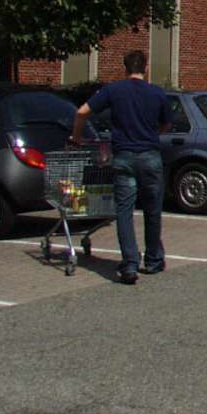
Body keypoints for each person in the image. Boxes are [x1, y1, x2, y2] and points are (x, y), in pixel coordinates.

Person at [71, 50, 171, 284]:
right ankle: (154, 259)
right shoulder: (156, 93)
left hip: (124, 155)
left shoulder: (113, 90)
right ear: (145, 68)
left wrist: (76, 136)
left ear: (124, 68)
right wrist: (153, 134)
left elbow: (82, 111)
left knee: (124, 211)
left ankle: (129, 264)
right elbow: (166, 123)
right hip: (150, 155)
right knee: (152, 209)